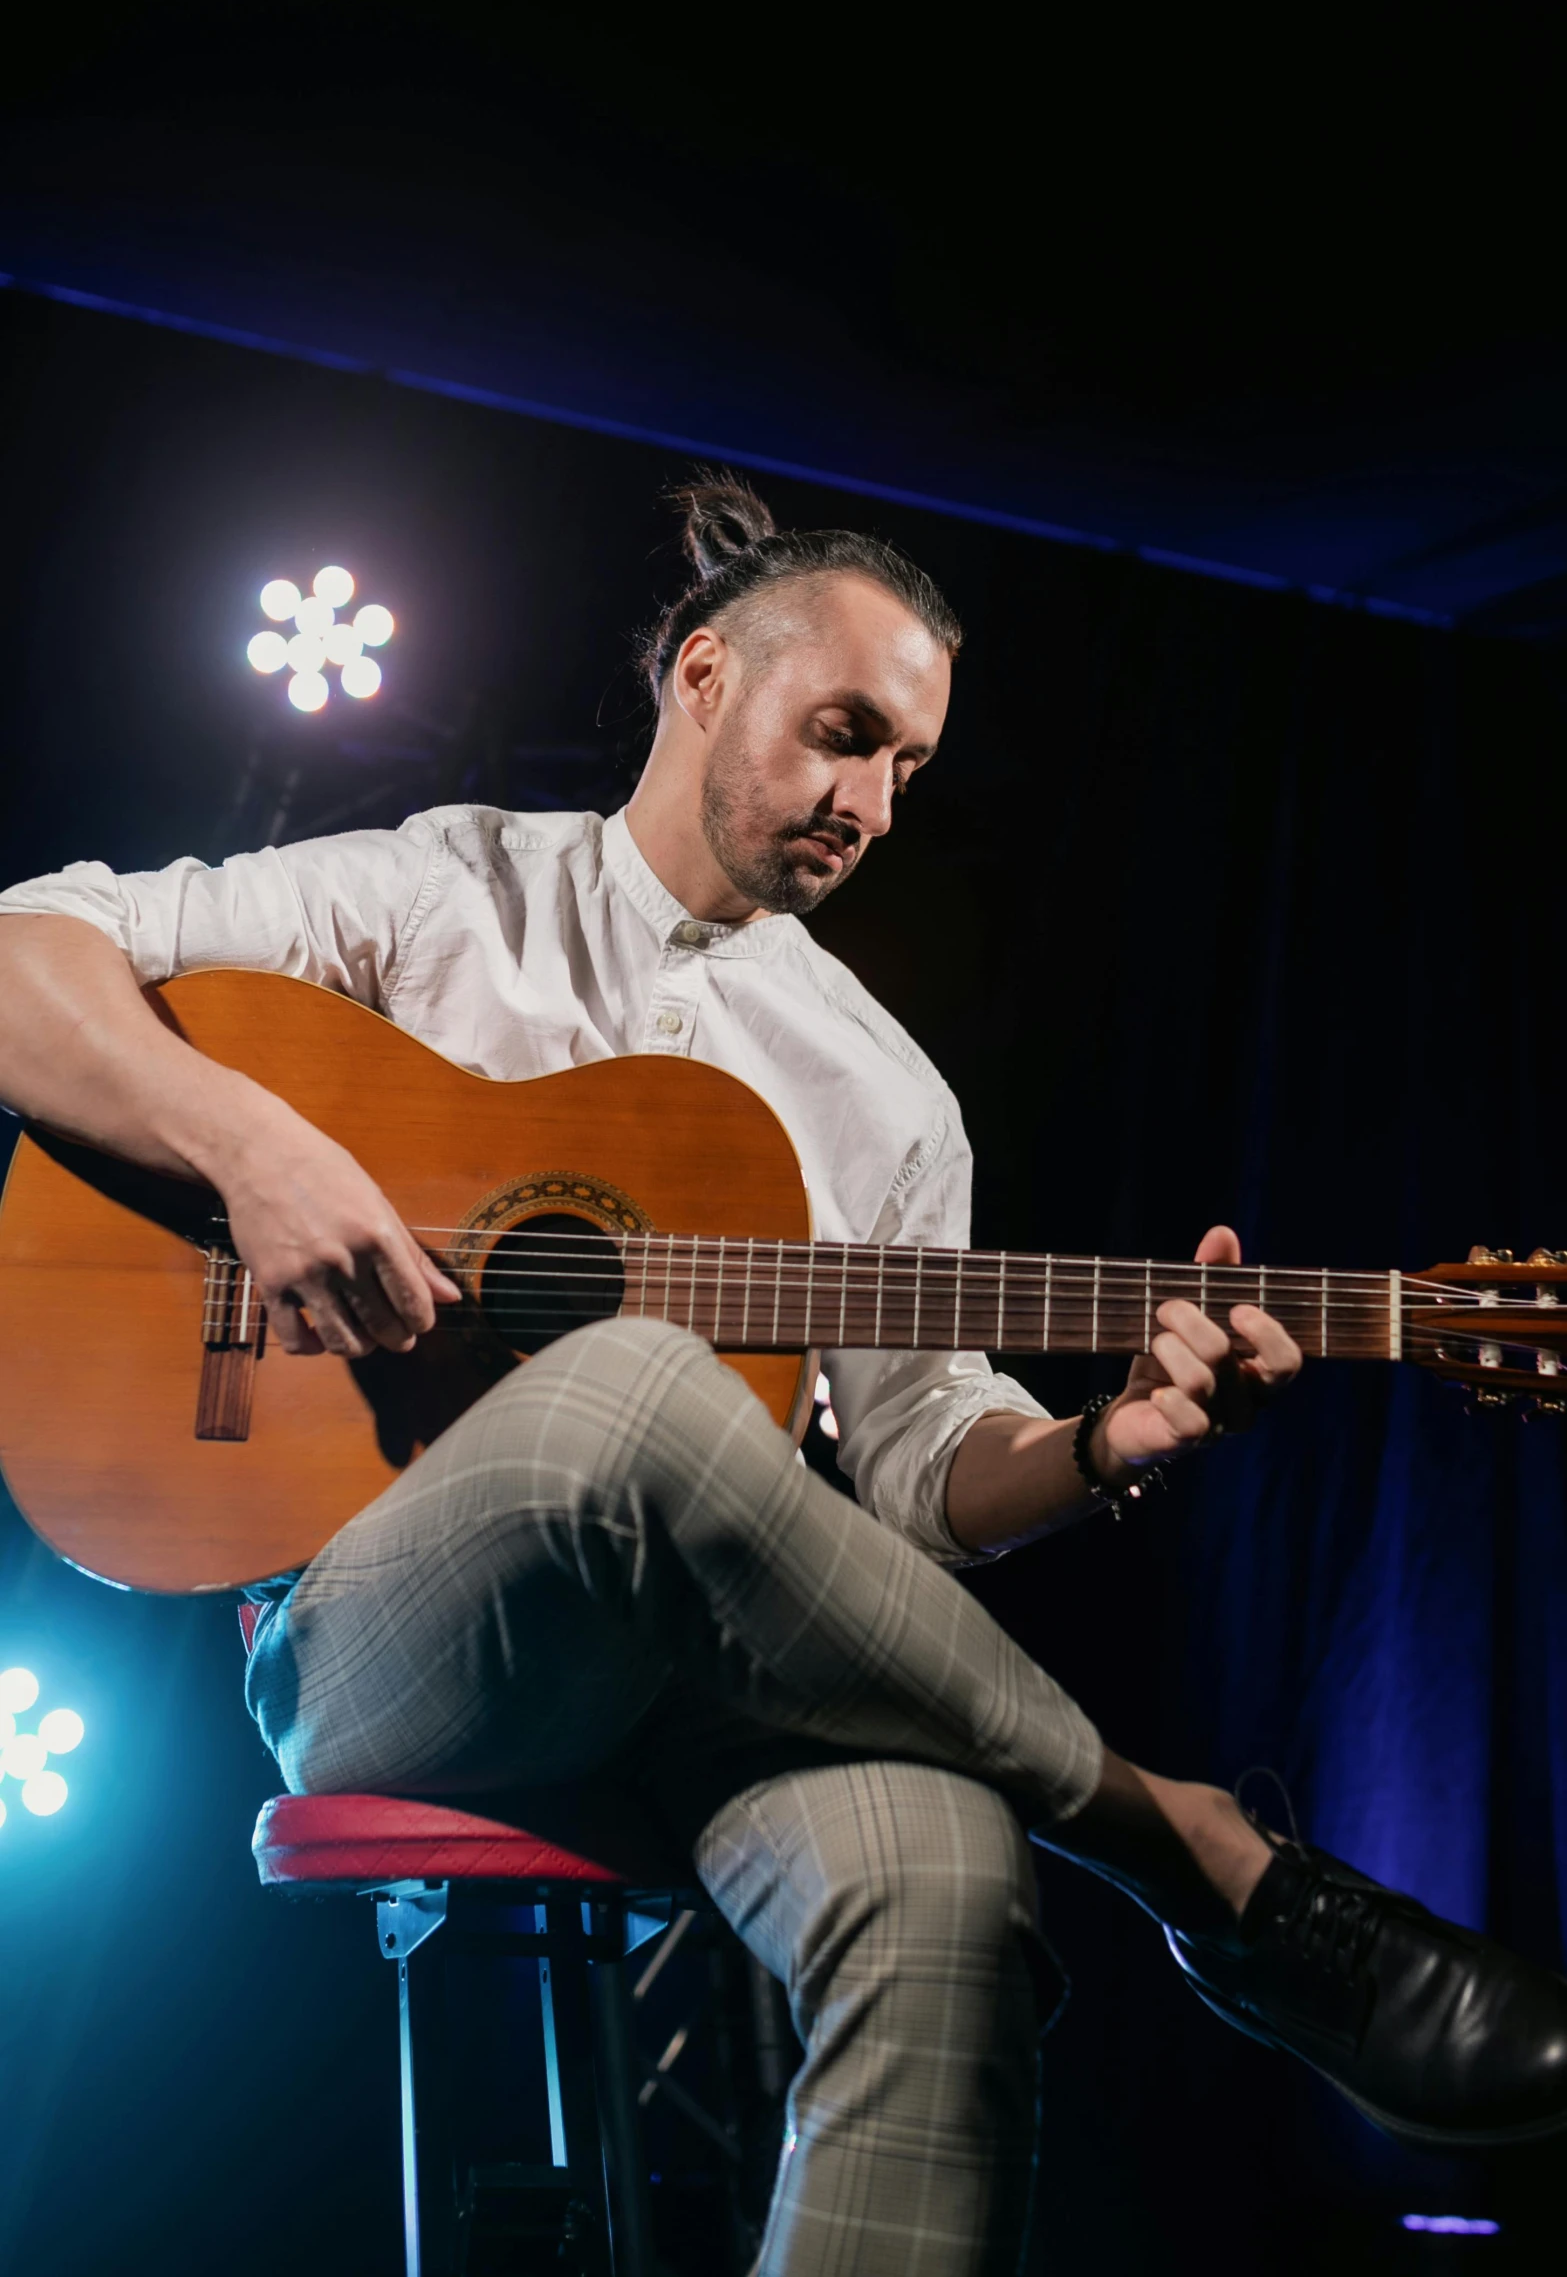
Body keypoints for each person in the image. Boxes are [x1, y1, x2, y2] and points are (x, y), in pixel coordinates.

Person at [1, 477, 1563, 2275]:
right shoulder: (442, 891)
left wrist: (1095, 1444)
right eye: (843, 736)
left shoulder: (880, 1091)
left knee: (954, 1887)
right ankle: (1186, 1844)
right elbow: (21, 952)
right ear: (703, 673)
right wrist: (254, 1154)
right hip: (390, 1636)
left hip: (706, 1692)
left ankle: (1149, 1856)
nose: (871, 804)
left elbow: (915, 1475)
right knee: (647, 1389)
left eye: (906, 766)